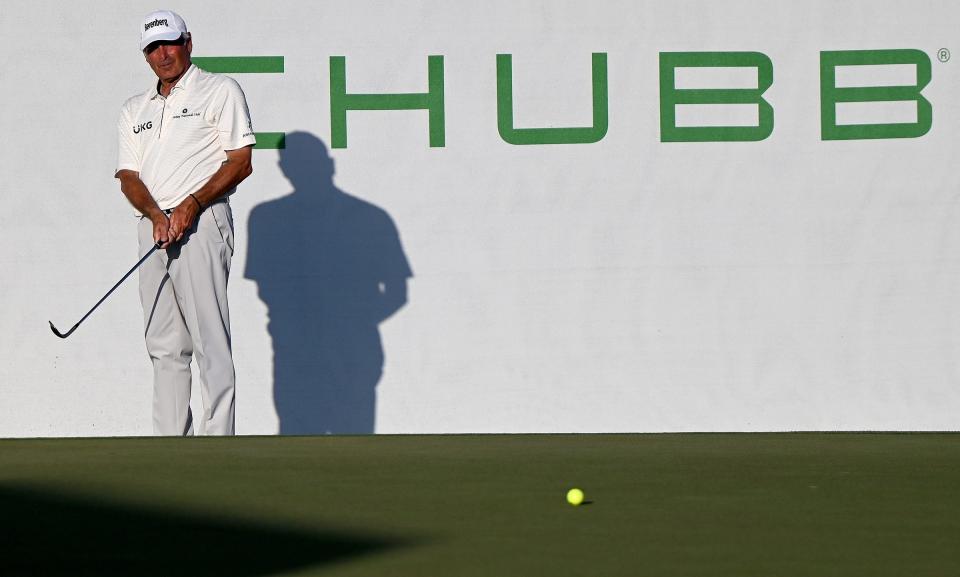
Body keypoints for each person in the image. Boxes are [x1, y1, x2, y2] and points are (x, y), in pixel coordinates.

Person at [115, 10, 255, 435]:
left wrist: (191, 204)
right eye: (153, 48)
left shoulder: (219, 90)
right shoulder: (134, 108)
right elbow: (129, 176)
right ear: (145, 55)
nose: (163, 54)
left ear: (188, 42)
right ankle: (170, 450)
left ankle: (218, 449)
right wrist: (158, 215)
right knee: (164, 344)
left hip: (203, 222)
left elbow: (241, 161)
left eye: (170, 43)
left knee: (209, 339)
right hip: (153, 229)